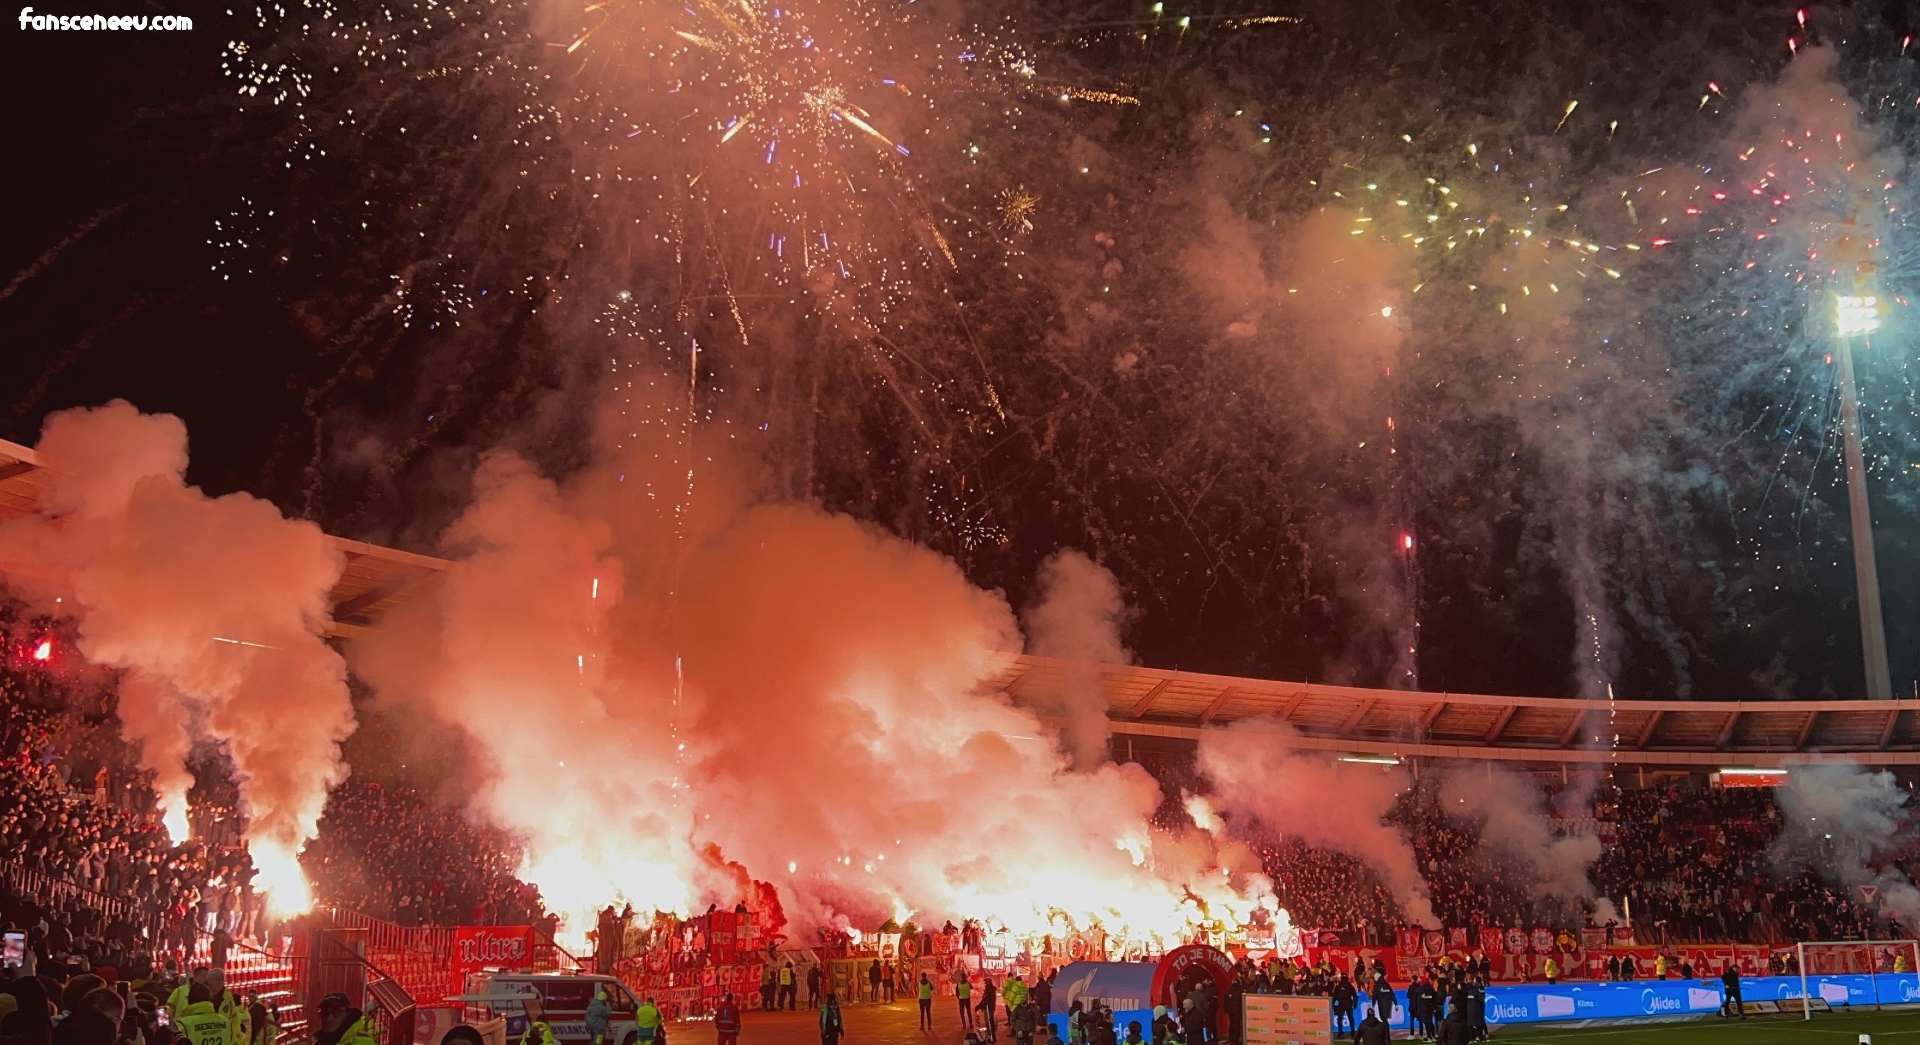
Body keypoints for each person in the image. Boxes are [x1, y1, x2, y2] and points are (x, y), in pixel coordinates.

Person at [312, 995, 376, 1045]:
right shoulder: (320, 1041)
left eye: (336, 1013)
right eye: (325, 1013)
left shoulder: (363, 1042)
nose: (329, 1018)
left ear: (347, 1013)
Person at [977, 977, 998, 1042]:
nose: (985, 985)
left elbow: (985, 1000)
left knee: (989, 1023)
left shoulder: (989, 991)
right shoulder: (991, 990)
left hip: (989, 1008)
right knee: (989, 1023)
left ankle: (991, 1038)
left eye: (985, 983)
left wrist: (979, 1006)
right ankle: (991, 1037)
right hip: (990, 1008)